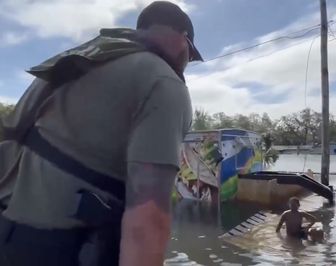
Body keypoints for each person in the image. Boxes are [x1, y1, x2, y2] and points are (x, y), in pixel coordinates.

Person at [0, 1, 202, 266]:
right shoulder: (163, 82)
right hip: (61, 248)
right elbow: (148, 220)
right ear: (183, 40)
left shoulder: (75, 60)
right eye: (191, 53)